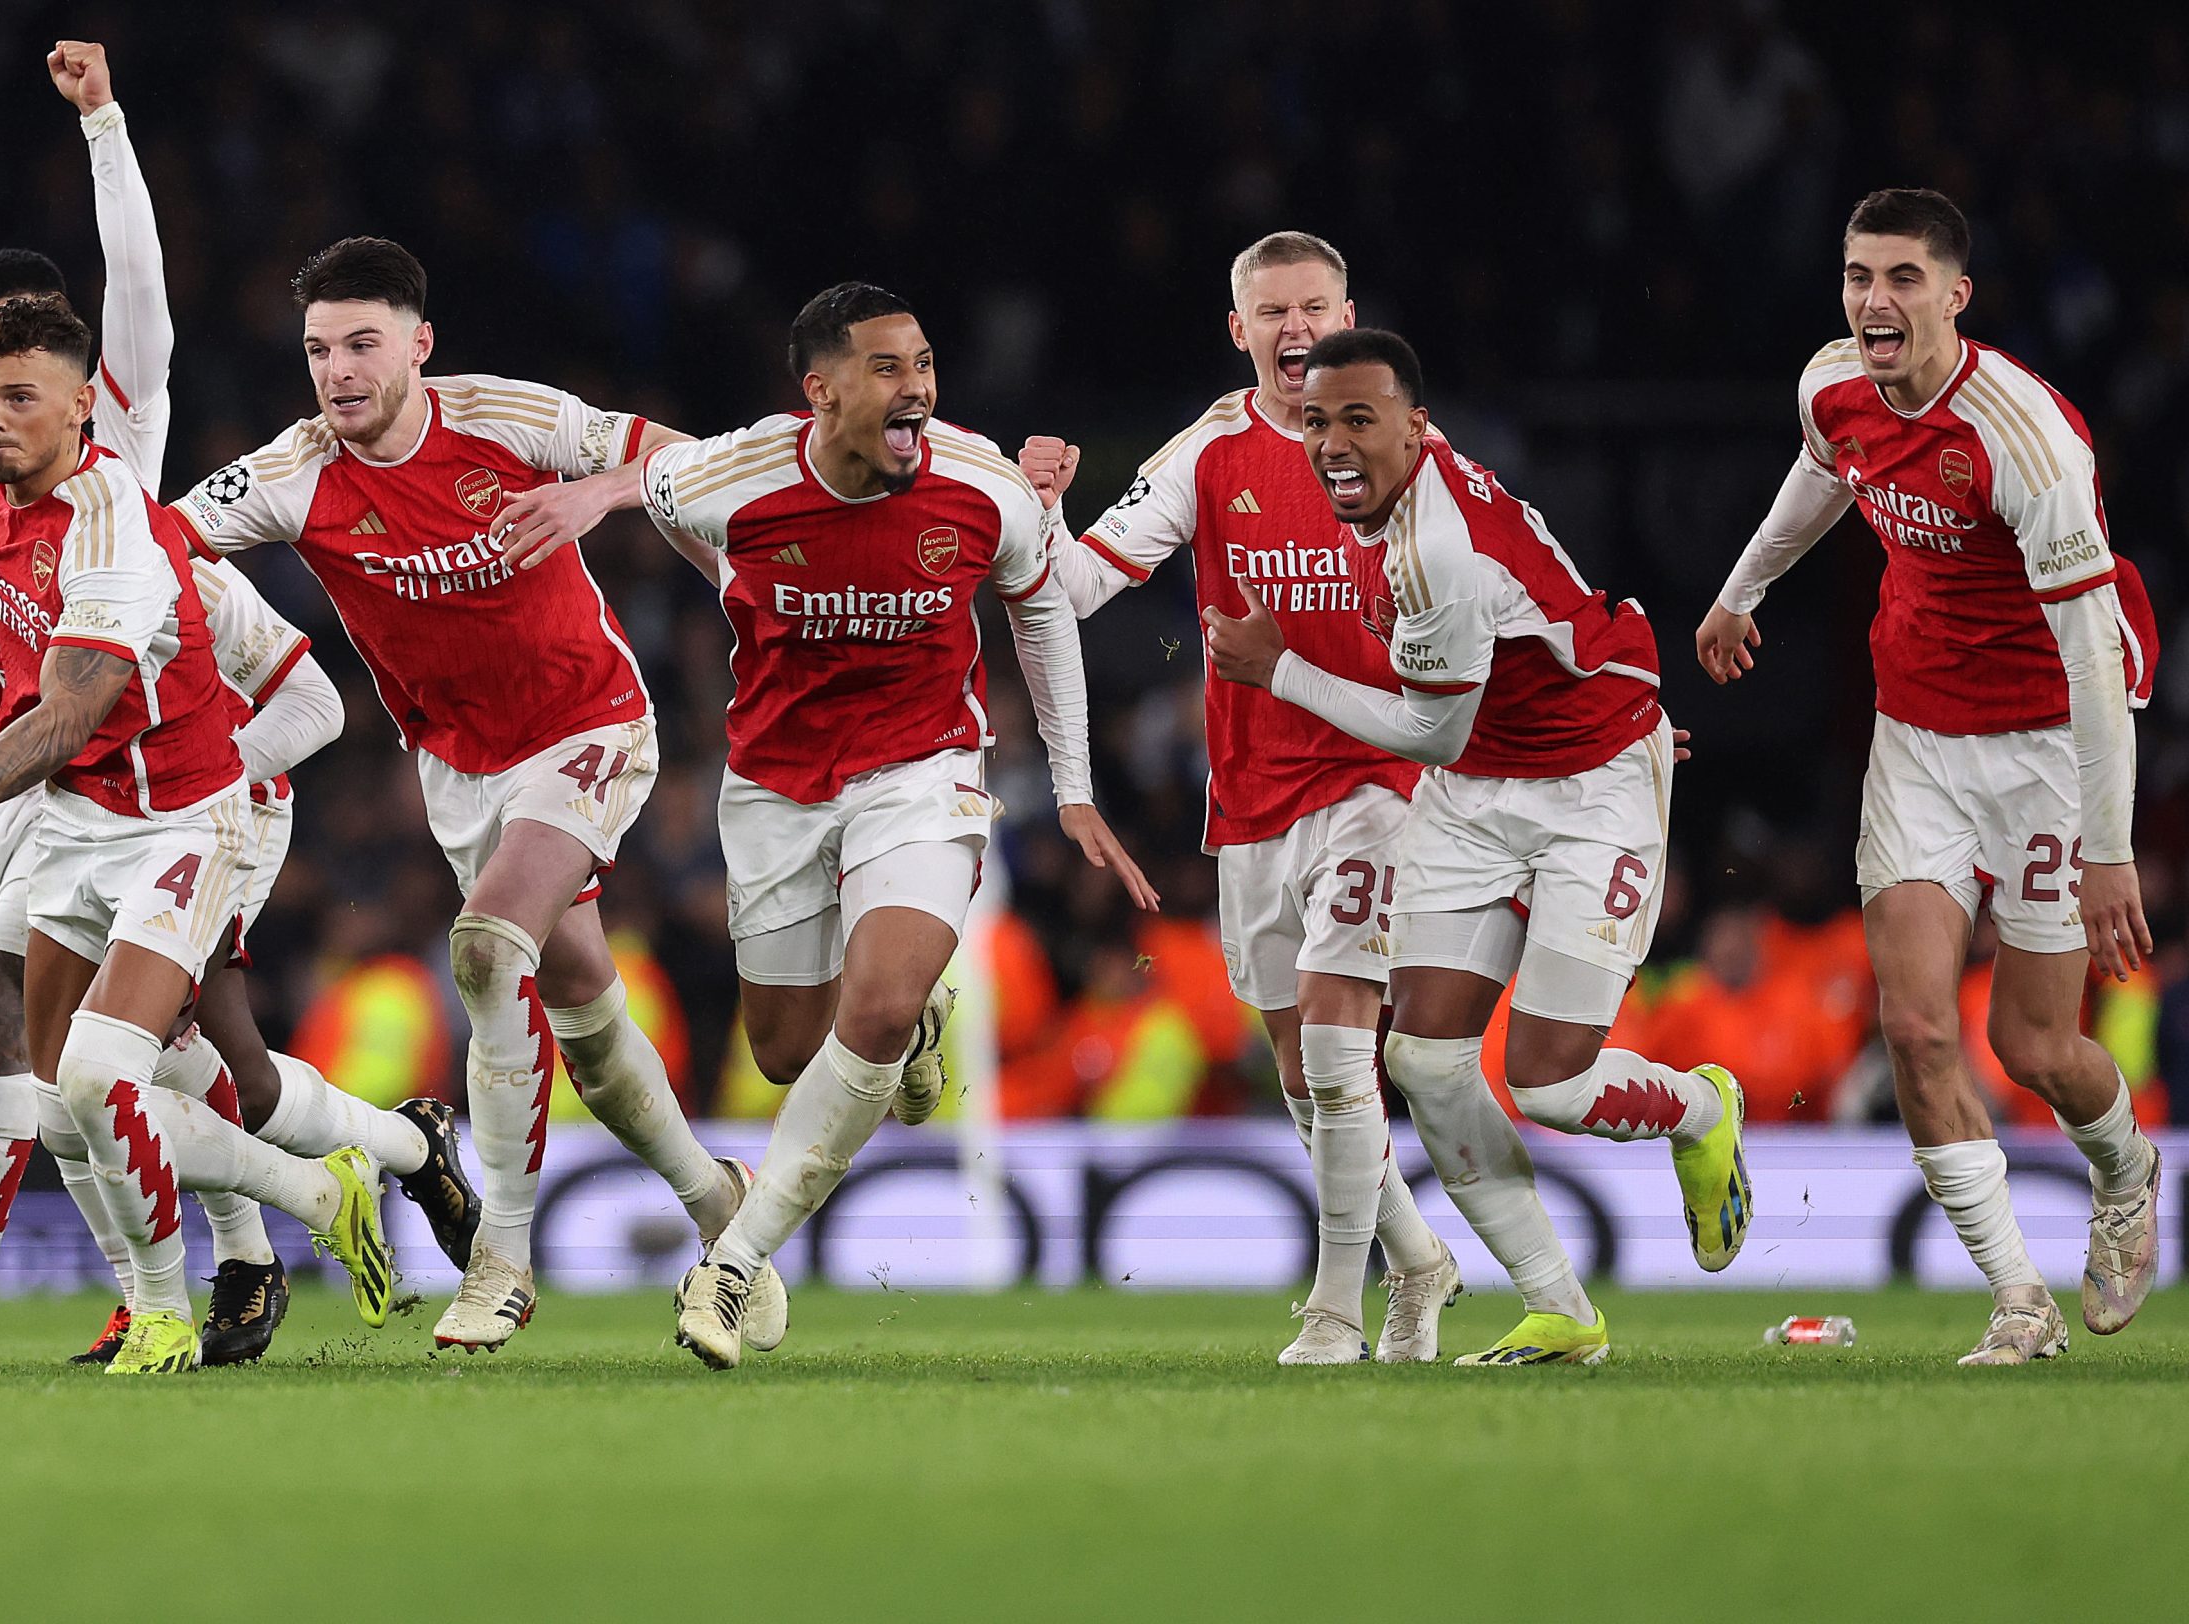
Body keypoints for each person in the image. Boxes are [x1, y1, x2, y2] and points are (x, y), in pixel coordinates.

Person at [172, 236, 779, 1355]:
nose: (340, 371)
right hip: (459, 766)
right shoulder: (294, 473)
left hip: (589, 724)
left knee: (489, 946)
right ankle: (715, 1199)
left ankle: (500, 1258)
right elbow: (149, 545)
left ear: (419, 345)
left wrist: (598, 495)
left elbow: (688, 461)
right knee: (586, 1016)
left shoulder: (504, 417)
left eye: (363, 343)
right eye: (318, 350)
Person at [0, 297, 393, 1376]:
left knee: (111, 1071)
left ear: (79, 405)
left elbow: (63, 714)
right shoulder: (0, 506)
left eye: (20, 397)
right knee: (65, 1108)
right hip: (80, 825)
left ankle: (166, 1302)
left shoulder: (112, 522)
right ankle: (304, 1195)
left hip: (184, 822)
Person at [1205, 327, 1752, 1367]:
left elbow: (1429, 729)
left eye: (1358, 419)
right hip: (1480, 786)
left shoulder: (1432, 544)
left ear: (1417, 427)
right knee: (1423, 1056)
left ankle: (1698, 1108)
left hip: (1588, 788)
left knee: (1545, 1079)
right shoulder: (1388, 495)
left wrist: (1275, 671)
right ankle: (1560, 1310)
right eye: (1316, 422)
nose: (1331, 444)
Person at [639, 281, 1157, 1368]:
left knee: (869, 1009)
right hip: (777, 783)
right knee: (785, 1052)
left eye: (923, 364)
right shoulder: (725, 478)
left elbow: (1039, 608)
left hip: (922, 772)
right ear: (818, 392)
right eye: (887, 369)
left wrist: (1073, 786)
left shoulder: (982, 485)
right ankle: (906, 1028)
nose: (916, 386)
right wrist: (738, 580)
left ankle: (731, 1266)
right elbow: (656, 491)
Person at [1695, 188, 2163, 1364]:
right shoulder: (1832, 384)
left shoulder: (2025, 437)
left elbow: (2092, 666)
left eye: (1902, 278)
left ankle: (2123, 1168)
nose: (1874, 300)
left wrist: (2107, 847)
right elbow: (1823, 471)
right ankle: (2017, 1299)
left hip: (2053, 735)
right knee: (1911, 1024)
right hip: (1917, 734)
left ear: (1955, 295)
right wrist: (1741, 587)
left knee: (2034, 1047)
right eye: (1858, 276)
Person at [1016, 231, 1460, 1365]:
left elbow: (1498, 597)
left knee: (1333, 1047)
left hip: (1382, 780)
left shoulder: (1411, 447)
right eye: (1273, 310)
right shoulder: (1209, 451)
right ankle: (1420, 1258)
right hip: (1254, 799)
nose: (1296, 326)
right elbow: (1074, 585)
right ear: (1239, 329)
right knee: (1306, 1078)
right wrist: (1041, 511)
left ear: (1347, 309)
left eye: (1314, 304)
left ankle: (1333, 1310)